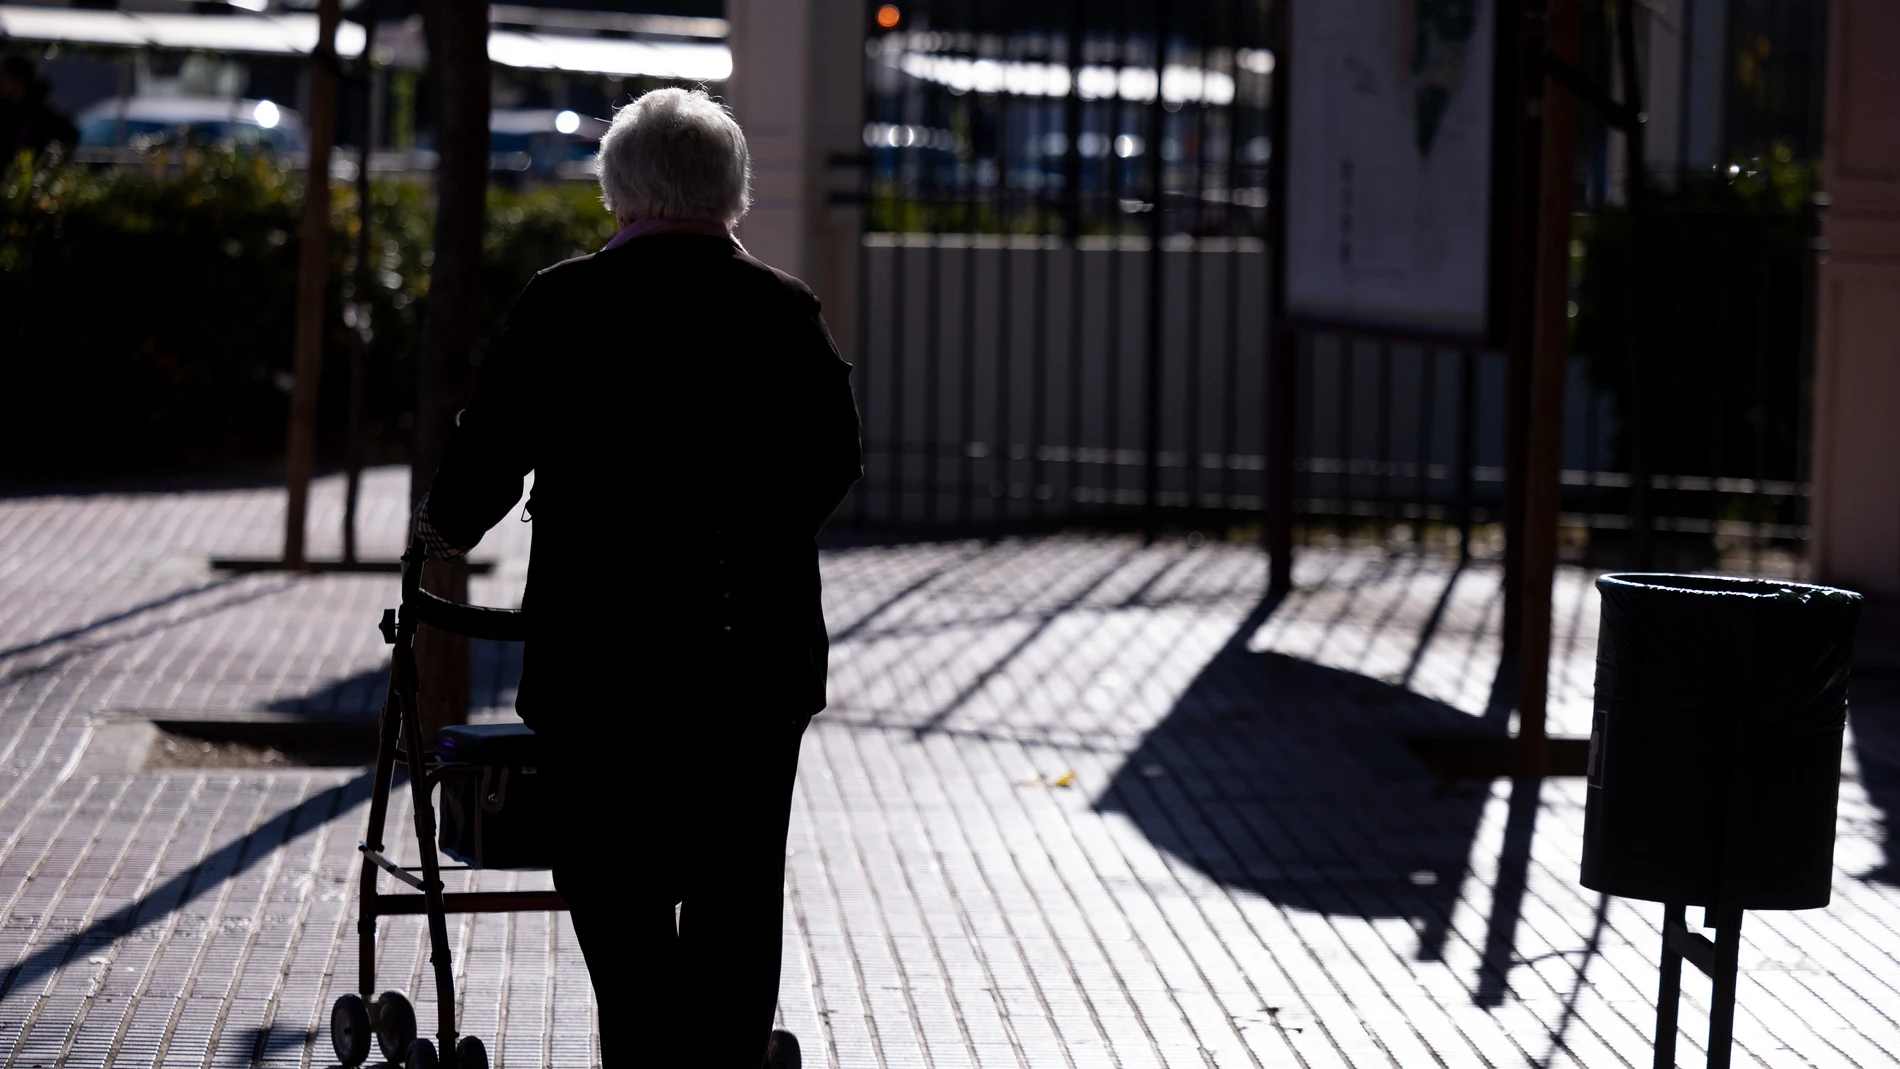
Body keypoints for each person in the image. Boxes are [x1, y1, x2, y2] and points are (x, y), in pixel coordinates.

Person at [414, 88, 862, 1068]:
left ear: (618, 190)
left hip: (599, 655)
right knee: (736, 885)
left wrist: (444, 527)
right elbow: (833, 456)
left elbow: (490, 449)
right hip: (753, 649)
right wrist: (757, 532)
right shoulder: (783, 310)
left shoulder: (565, 302)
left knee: (613, 880)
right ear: (731, 195)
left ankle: (648, 1045)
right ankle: (723, 1051)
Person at [0, 56, 77, 162]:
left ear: (19, 81)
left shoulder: (38, 116)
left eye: (5, 77)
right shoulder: (9, 110)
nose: (2, 82)